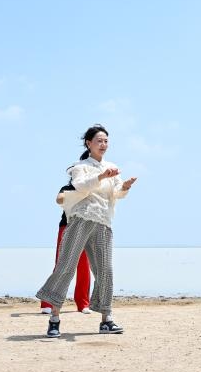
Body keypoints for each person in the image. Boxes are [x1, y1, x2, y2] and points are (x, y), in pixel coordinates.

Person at [36, 125, 136, 338]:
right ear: (89, 143)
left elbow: (116, 194)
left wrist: (125, 187)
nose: (103, 144)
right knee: (66, 266)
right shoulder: (79, 167)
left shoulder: (112, 167)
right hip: (81, 219)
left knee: (105, 271)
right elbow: (79, 186)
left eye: (106, 141)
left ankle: (106, 320)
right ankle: (54, 319)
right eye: (99, 140)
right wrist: (100, 177)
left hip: (103, 222)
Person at [39, 183, 92, 315]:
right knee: (61, 265)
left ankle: (83, 303)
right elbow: (59, 199)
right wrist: (79, 194)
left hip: (85, 228)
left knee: (84, 266)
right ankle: (48, 302)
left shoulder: (93, 188)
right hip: (66, 227)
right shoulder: (67, 188)